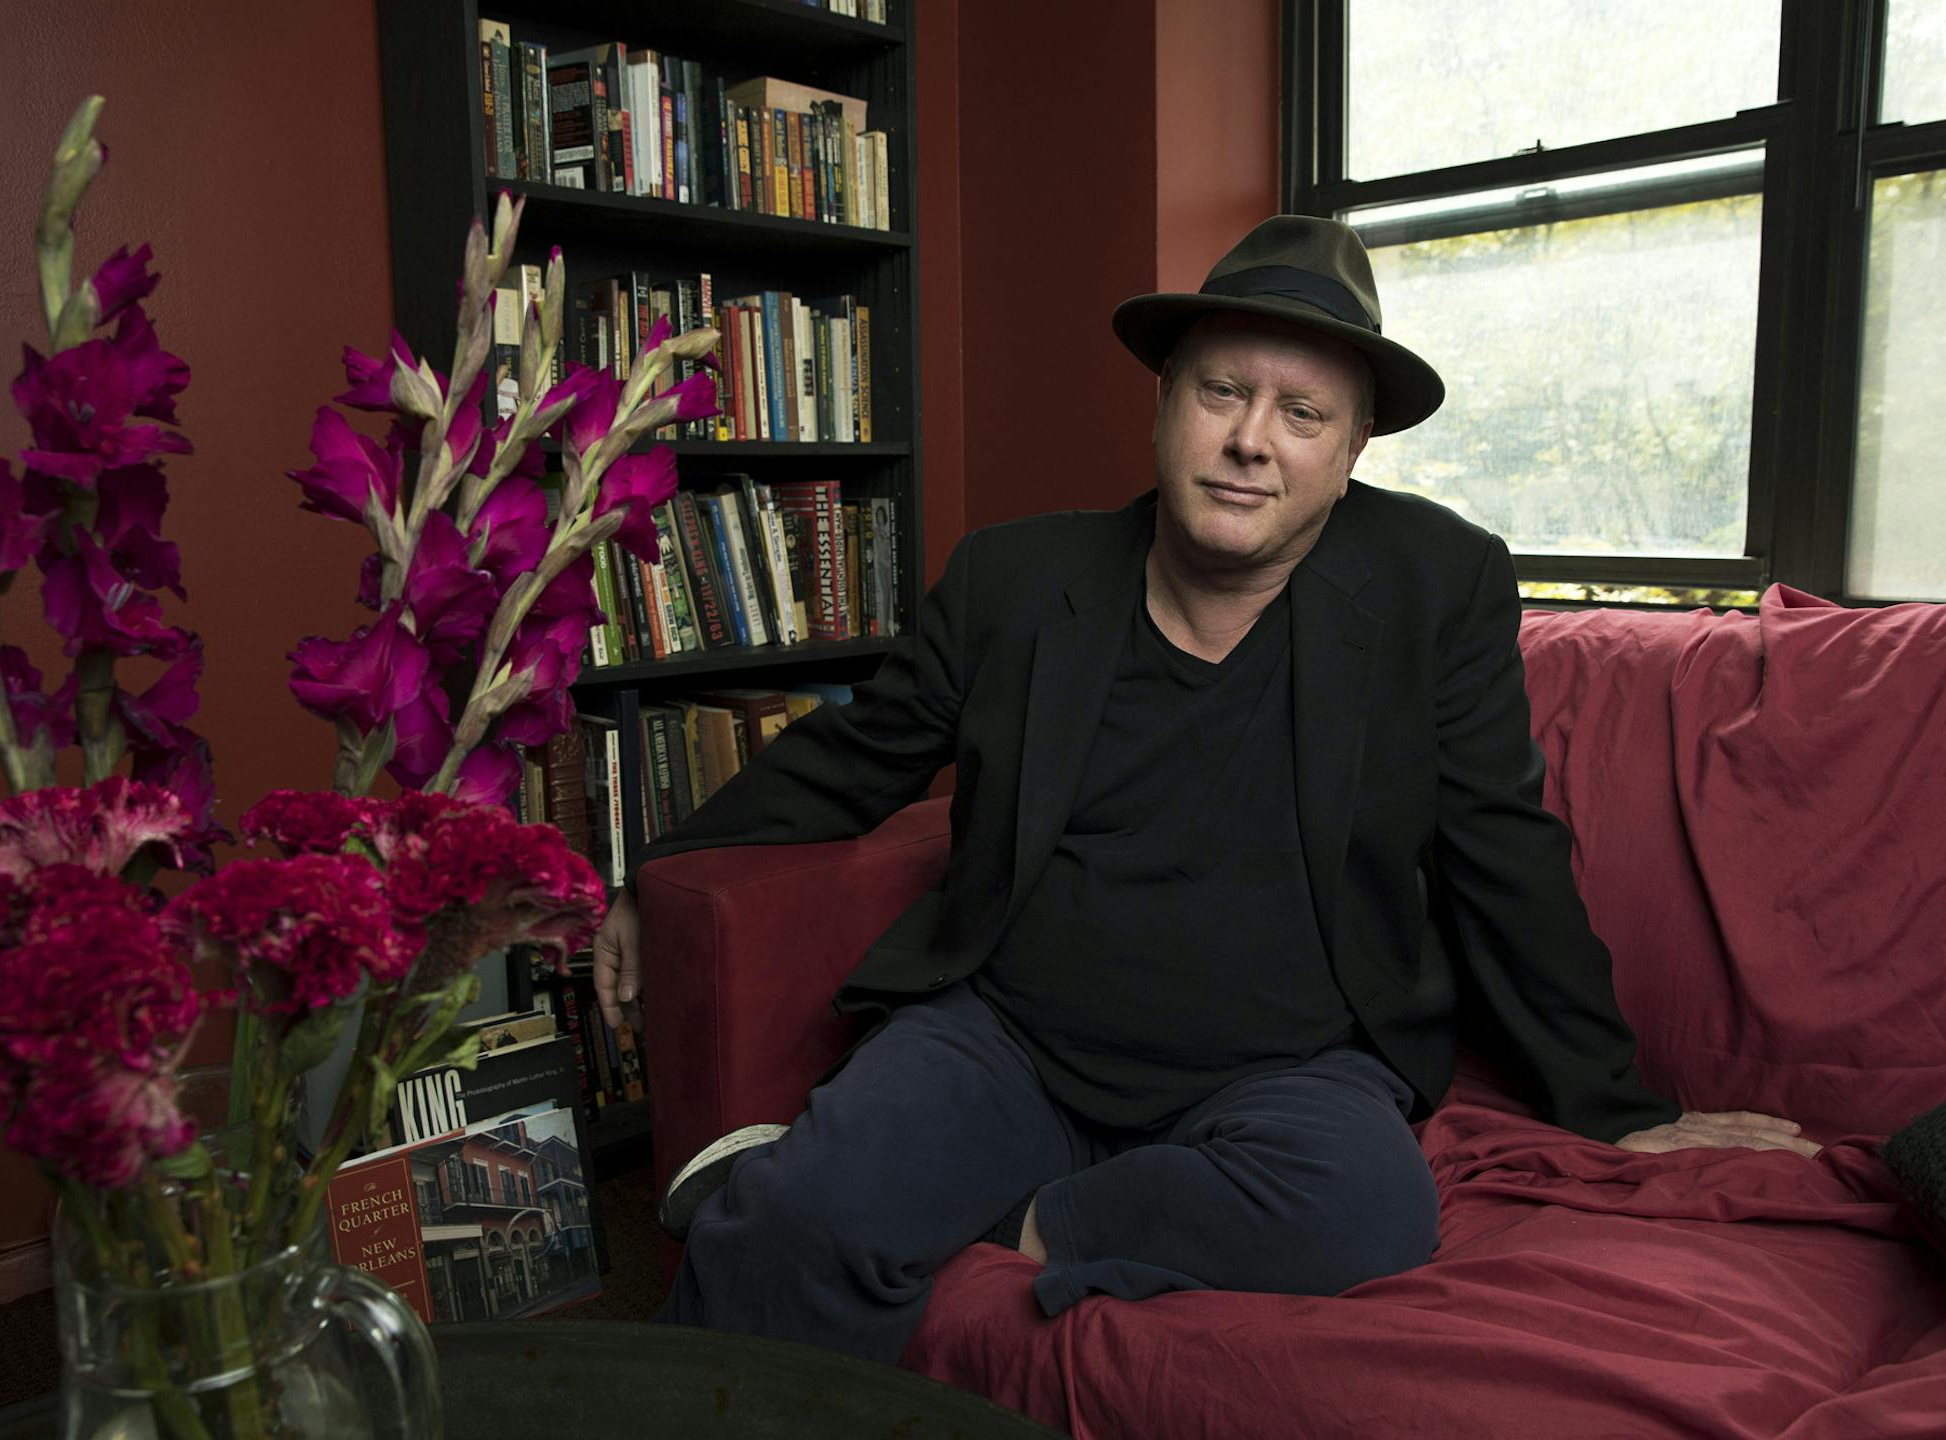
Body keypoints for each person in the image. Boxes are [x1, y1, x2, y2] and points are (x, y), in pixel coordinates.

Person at [592, 214, 1817, 1365]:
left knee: (1365, 1210)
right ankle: (806, 1178)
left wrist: (1617, 1107)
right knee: (798, 1224)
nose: (1251, 440)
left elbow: (1502, 846)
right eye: (1224, 392)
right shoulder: (1018, 579)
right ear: (1168, 399)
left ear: (1350, 453)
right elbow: (856, 758)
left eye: (1301, 412)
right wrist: (658, 877)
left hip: (1290, 1065)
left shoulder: (1433, 585)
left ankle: (1015, 1217)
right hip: (1008, 1038)